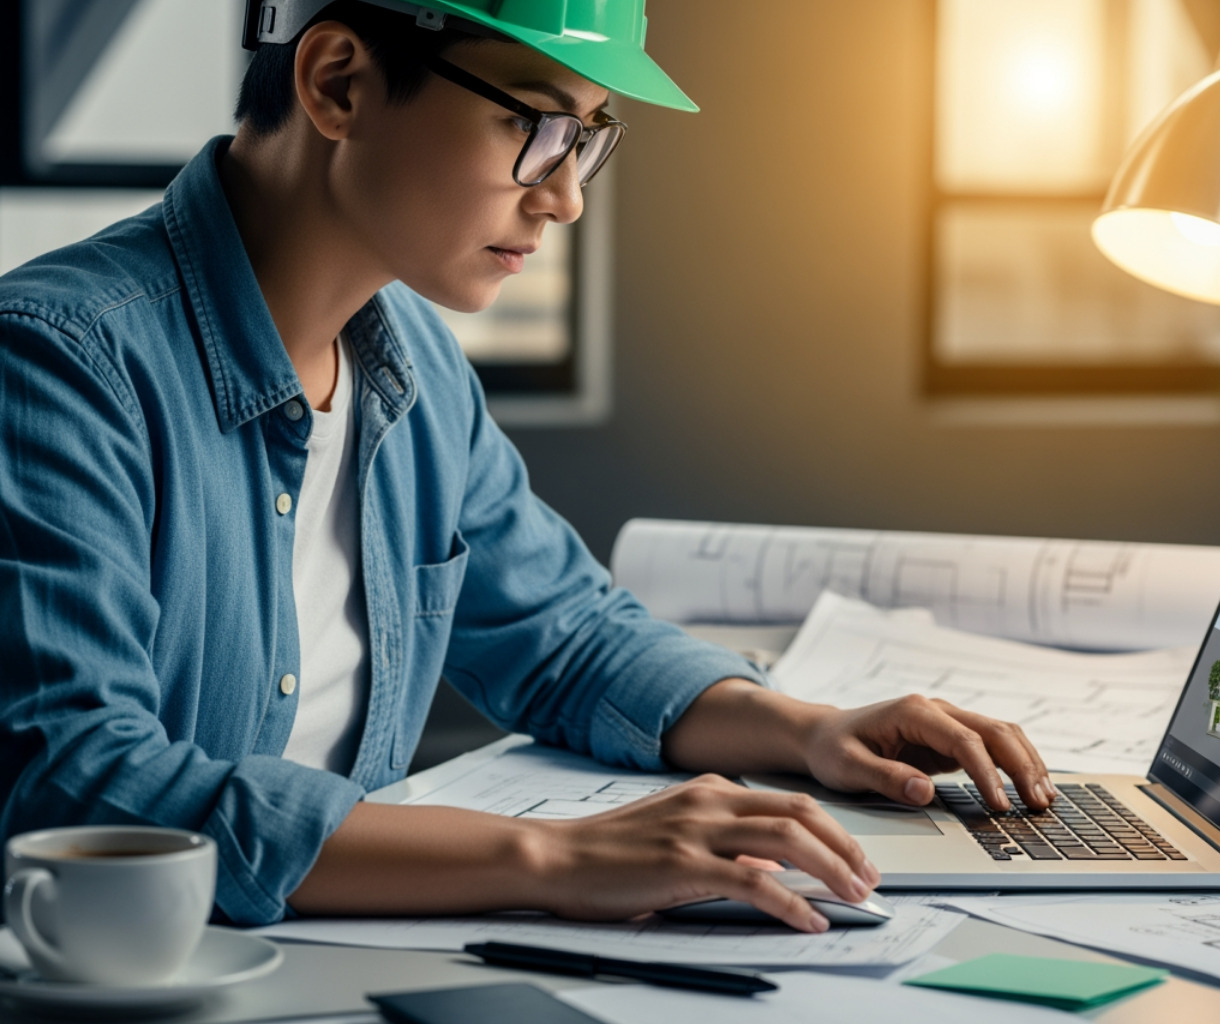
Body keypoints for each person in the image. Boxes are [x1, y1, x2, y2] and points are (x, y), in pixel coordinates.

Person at [0, 0, 1055, 932]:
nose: (565, 198)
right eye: (532, 124)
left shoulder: (413, 364)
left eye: (586, 139)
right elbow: (79, 781)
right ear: (339, 83)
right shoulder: (57, 364)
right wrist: (556, 859)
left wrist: (811, 732)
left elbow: (564, 636)